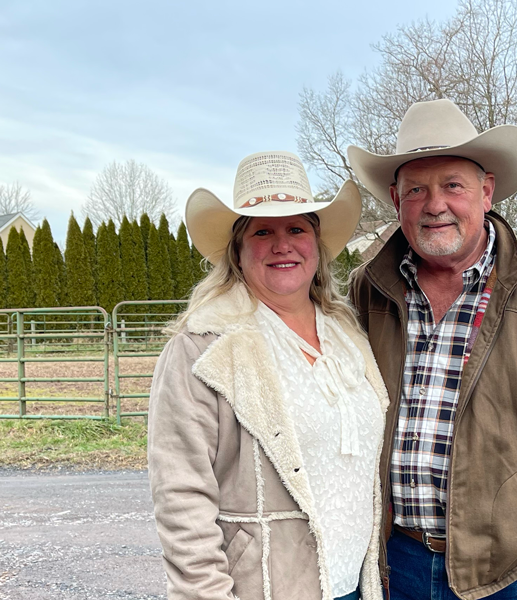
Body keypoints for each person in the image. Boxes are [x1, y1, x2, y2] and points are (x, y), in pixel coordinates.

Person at [347, 100, 517, 600]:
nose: (435, 204)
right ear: (396, 199)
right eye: (417, 189)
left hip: (513, 567)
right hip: (397, 564)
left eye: (453, 185)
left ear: (486, 190)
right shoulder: (366, 290)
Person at [147, 151, 388, 600]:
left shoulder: (348, 336)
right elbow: (181, 495)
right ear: (238, 250)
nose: (283, 245)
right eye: (263, 231)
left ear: (316, 243)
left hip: (355, 586)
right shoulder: (205, 347)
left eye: (296, 228)